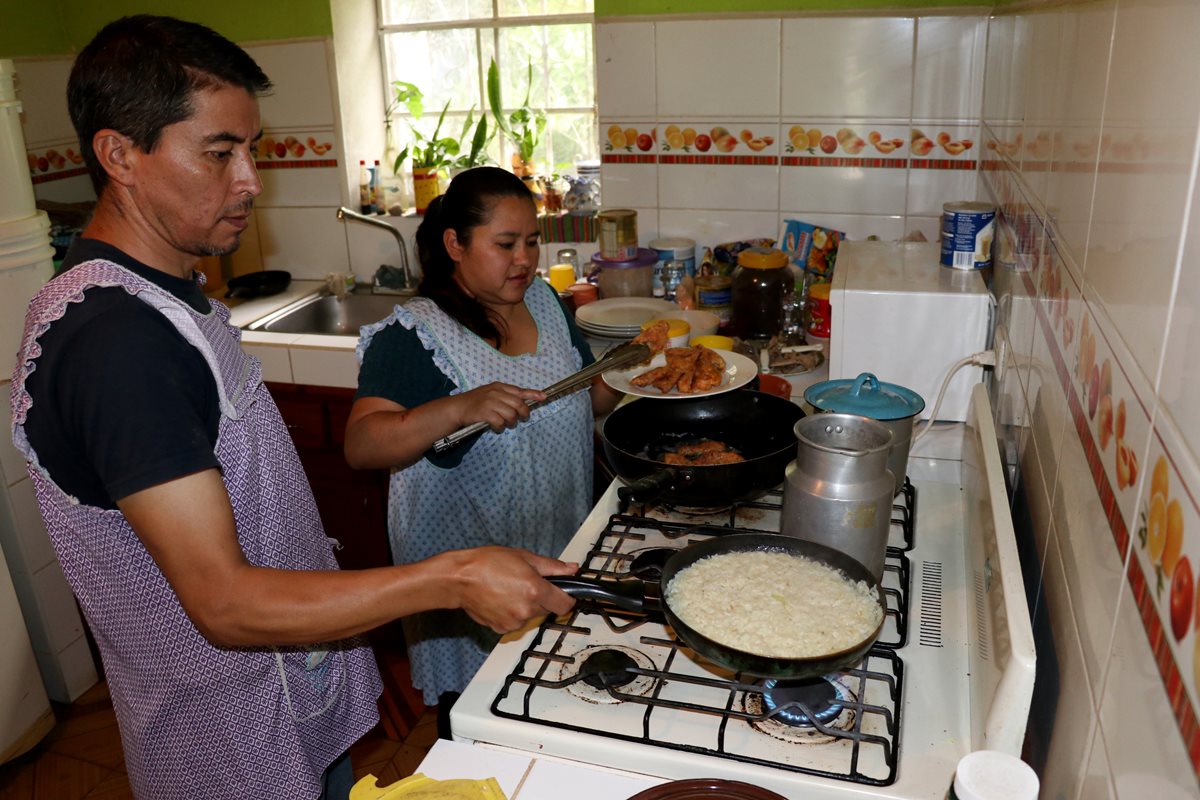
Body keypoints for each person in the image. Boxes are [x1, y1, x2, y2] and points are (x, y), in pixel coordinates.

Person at [9, 16, 575, 800]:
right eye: (219, 153)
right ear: (119, 155)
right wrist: (452, 576)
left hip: (285, 700)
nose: (250, 180)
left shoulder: (169, 292)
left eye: (252, 150)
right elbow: (225, 603)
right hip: (227, 743)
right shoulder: (116, 342)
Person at [344, 167, 623, 733]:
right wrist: (459, 406)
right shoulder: (414, 335)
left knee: (552, 710)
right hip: (467, 582)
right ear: (455, 244)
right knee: (484, 718)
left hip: (556, 542)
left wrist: (642, 371)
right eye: (504, 244)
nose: (524, 259)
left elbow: (588, 399)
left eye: (531, 242)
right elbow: (362, 444)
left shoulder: (544, 301)